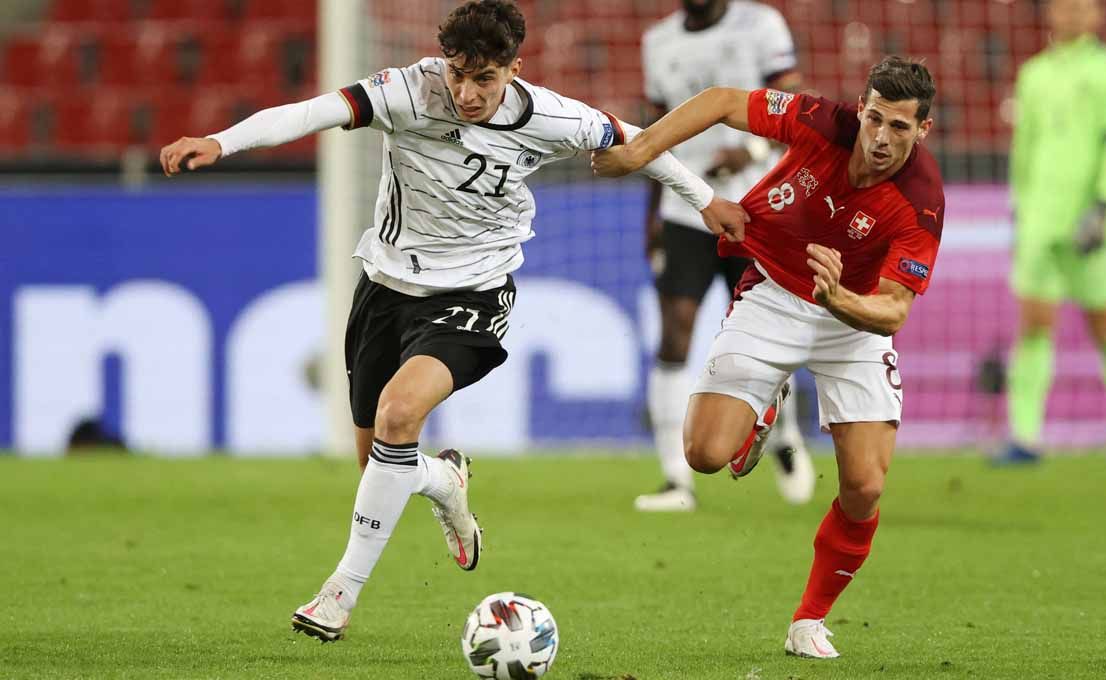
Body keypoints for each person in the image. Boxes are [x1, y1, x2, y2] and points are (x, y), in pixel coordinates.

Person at [159, 0, 748, 642]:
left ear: (513, 70)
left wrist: (708, 199)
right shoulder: (407, 91)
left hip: (472, 293)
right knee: (380, 463)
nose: (466, 93)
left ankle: (338, 595)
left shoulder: (553, 116)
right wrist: (222, 140)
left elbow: (641, 143)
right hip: (384, 287)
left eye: (485, 79)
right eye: (457, 74)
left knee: (397, 414)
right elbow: (310, 113)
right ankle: (443, 479)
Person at [593, 56, 944, 659]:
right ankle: (765, 407)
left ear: (924, 131)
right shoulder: (820, 121)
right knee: (703, 455)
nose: (882, 139)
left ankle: (809, 620)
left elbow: (892, 312)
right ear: (860, 109)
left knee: (864, 486)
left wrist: (838, 298)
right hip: (776, 293)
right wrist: (642, 149)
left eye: (901, 128)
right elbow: (725, 100)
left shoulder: (922, 200)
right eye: (876, 120)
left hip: (852, 323)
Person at [636, 0, 815, 512]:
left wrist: (755, 151)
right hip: (684, 206)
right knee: (675, 333)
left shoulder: (761, 25)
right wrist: (651, 218)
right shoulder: (657, 41)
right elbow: (653, 133)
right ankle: (675, 478)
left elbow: (799, 108)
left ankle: (785, 439)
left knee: (773, 332)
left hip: (760, 205)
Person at [1000, 0, 1106, 465]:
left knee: (1105, 326)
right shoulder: (1034, 74)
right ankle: (1025, 438)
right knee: (1034, 325)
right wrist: (1020, 208)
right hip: (1041, 221)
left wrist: (1105, 203)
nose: (1073, 13)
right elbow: (1024, 148)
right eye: (1065, 5)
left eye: (1083, 5)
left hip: (1092, 221)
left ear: (1099, 14)